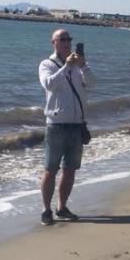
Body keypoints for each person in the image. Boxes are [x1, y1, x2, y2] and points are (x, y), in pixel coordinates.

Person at [38, 28, 95, 226]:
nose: (66, 42)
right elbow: (49, 85)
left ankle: (62, 207)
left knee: (70, 170)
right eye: (62, 39)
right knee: (50, 170)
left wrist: (83, 65)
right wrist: (66, 67)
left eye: (68, 39)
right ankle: (46, 210)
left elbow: (94, 84)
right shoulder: (47, 64)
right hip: (56, 125)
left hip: (76, 125)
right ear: (53, 42)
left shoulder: (79, 65)